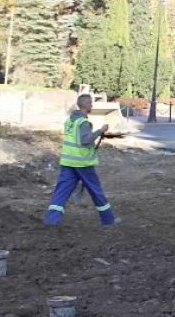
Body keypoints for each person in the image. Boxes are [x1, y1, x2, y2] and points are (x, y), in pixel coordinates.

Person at [43, 94, 120, 227]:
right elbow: (85, 140)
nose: (92, 105)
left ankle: (51, 220)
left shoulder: (71, 121)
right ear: (85, 105)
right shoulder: (83, 122)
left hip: (68, 163)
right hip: (82, 163)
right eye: (90, 103)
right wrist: (100, 131)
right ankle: (108, 220)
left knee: (61, 192)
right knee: (96, 191)